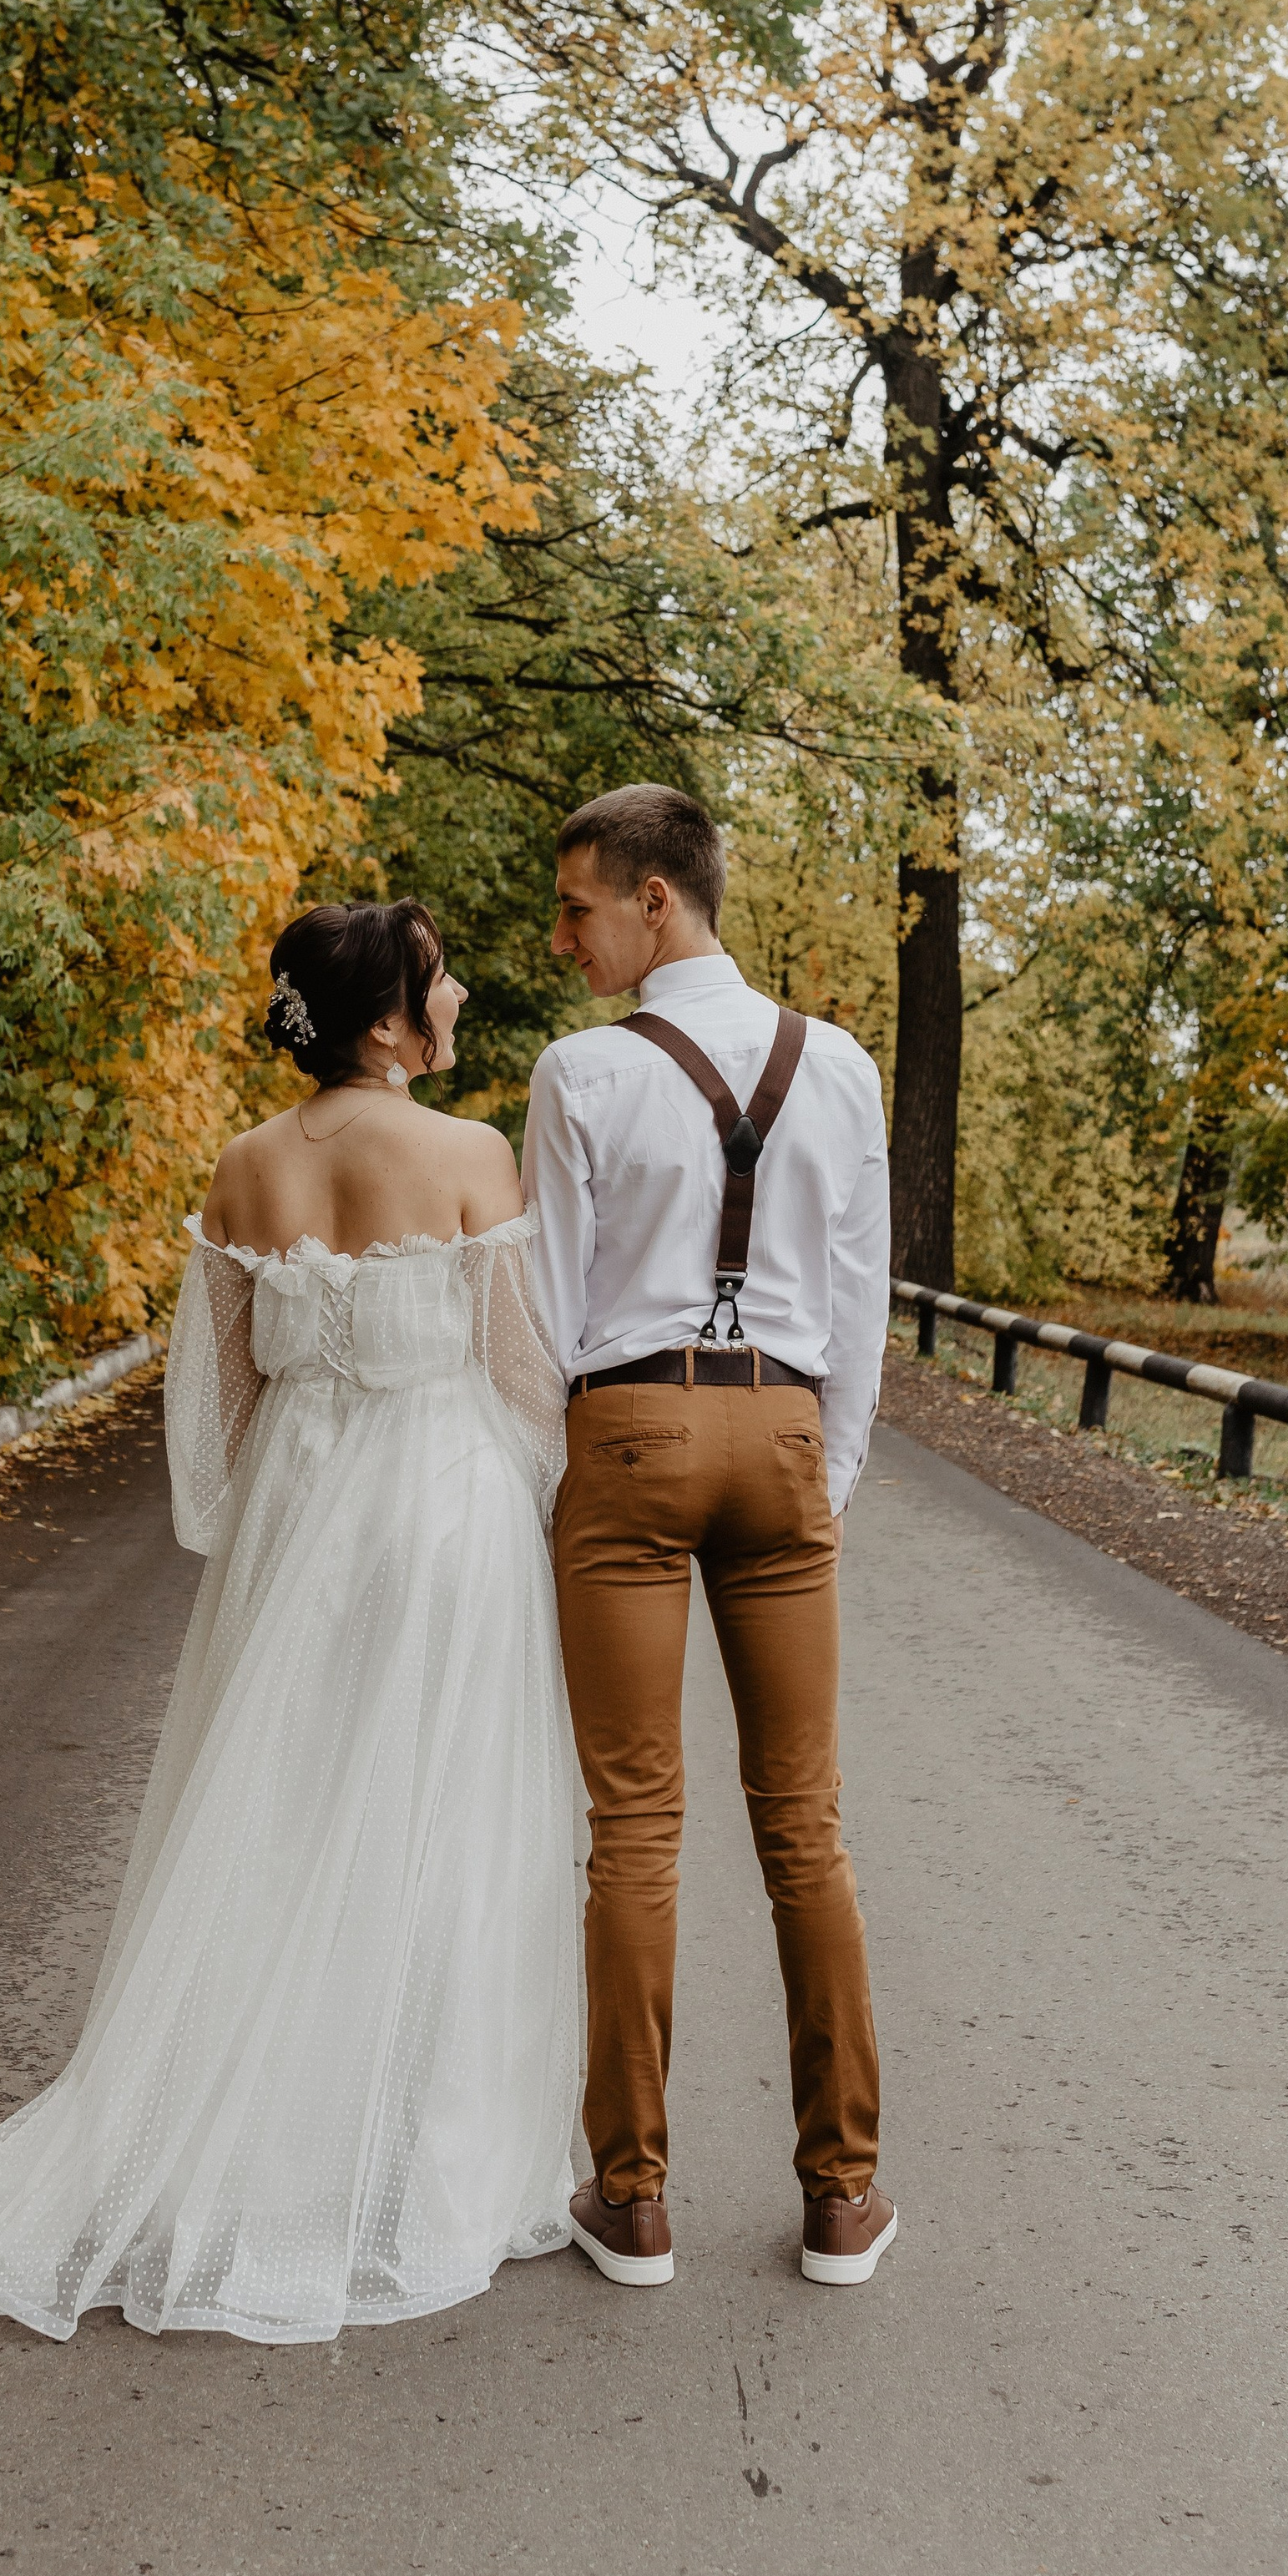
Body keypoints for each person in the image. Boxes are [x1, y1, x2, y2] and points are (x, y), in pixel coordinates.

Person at [0, 900, 579, 2346]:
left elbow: (213, 1399)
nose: (453, 1002)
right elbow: (525, 1379)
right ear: (388, 1022)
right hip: (440, 1515)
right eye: (438, 985)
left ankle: (238, 2129)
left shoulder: (242, 1166)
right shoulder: (469, 1154)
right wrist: (529, 1507)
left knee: (276, 1815)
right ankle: (403, 2157)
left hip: (295, 1524)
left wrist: (247, 1517)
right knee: (432, 1827)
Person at [520, 785, 895, 2290]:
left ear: (656, 900)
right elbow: (862, 1292)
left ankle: (635, 2199)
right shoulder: (846, 1066)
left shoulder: (579, 1075)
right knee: (803, 1823)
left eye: (578, 907)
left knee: (635, 1830)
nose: (562, 936)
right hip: (788, 1432)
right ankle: (844, 2200)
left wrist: (561, 1471)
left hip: (627, 1427)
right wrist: (829, 1461)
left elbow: (546, 1315)